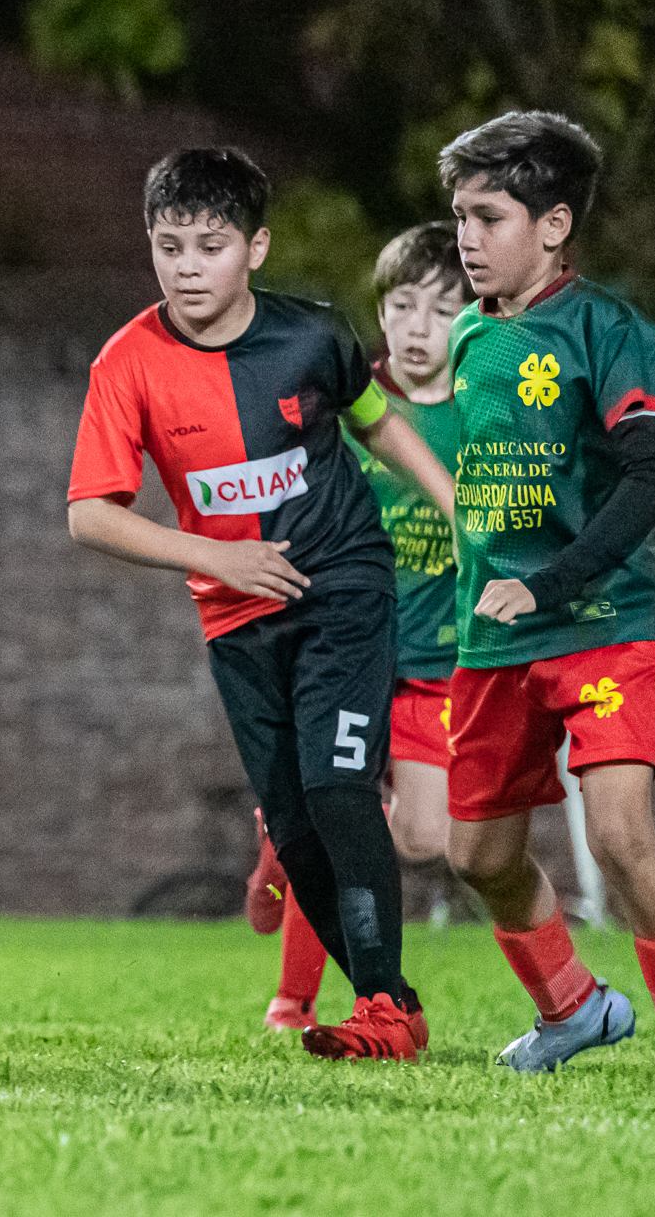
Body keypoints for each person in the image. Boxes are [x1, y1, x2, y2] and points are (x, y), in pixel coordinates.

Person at [68, 148, 455, 1060]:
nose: (188, 265)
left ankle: (386, 1009)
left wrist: (455, 506)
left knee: (337, 789)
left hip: (344, 587)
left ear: (257, 248)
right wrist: (211, 554)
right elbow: (89, 514)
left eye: (211, 244)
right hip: (234, 615)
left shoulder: (314, 335)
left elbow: (376, 420)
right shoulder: (127, 364)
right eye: (170, 245)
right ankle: (381, 999)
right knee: (293, 820)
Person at [437, 110, 655, 1084]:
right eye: (458, 217)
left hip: (602, 625)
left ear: (552, 225)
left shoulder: (610, 331)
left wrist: (550, 581)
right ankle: (577, 1007)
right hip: (491, 635)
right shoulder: (467, 333)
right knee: (472, 852)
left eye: (486, 215)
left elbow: (649, 479)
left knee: (617, 829)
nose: (464, 237)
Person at [247, 222, 466, 1031]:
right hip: (340, 638)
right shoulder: (347, 403)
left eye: (439, 311)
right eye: (401, 306)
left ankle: (283, 842)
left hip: (433, 659)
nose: (415, 327)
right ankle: (294, 999)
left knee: (423, 836)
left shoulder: (487, 416)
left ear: (471, 319)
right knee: (342, 813)